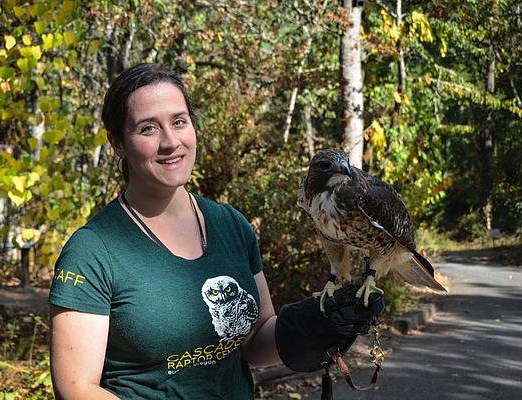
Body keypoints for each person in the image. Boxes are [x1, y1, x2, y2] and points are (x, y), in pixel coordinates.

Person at [48, 63, 383, 399]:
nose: (170, 142)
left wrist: (315, 324)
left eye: (179, 122)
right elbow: (75, 387)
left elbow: (254, 343)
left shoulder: (230, 226)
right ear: (118, 143)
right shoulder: (93, 252)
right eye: (148, 129)